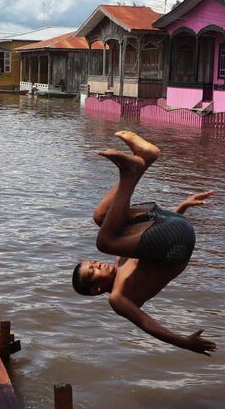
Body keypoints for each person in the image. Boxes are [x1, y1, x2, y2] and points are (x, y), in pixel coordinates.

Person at [71, 131, 217, 356]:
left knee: (101, 218)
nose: (100, 264)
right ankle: (130, 172)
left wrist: (182, 207)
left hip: (171, 224)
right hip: (176, 246)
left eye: (95, 263)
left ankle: (146, 158)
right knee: (104, 241)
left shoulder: (122, 257)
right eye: (94, 270)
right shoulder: (118, 298)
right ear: (96, 289)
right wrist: (185, 342)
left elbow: (153, 238)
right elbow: (147, 324)